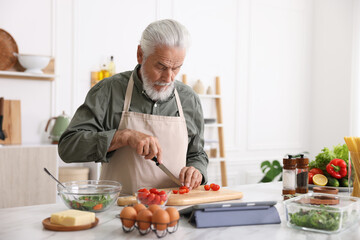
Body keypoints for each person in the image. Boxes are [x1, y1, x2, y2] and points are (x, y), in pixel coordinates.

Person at [58, 19, 208, 194]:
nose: (169, 78)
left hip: (175, 211)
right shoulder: (108, 91)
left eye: (176, 68)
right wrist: (124, 136)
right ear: (140, 54)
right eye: (161, 67)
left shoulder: (189, 99)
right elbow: (68, 147)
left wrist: (196, 170)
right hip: (119, 212)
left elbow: (197, 154)